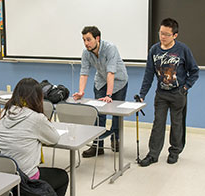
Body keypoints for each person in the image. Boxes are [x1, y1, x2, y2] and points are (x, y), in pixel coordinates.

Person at [139, 18, 199, 167]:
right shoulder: (154, 50)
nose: (162, 37)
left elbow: (194, 71)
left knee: (177, 123)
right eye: (161, 33)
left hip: (178, 93)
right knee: (158, 123)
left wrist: (185, 88)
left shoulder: (182, 49)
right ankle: (153, 155)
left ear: (175, 35)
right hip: (161, 94)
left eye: (166, 34)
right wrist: (142, 94)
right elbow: (148, 74)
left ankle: (174, 152)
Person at [0, 78, 69, 196]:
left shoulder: (5, 112)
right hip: (26, 179)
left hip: (6, 175)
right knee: (62, 176)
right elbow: (54, 138)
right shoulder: (36, 118)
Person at [73, 26, 128, 157]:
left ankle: (116, 140)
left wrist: (109, 95)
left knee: (116, 114)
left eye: (88, 39)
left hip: (119, 81)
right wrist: (81, 91)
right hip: (101, 82)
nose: (86, 43)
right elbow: (84, 73)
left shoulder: (110, 48)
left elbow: (111, 73)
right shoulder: (86, 53)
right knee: (98, 113)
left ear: (97, 38)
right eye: (84, 40)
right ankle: (97, 145)